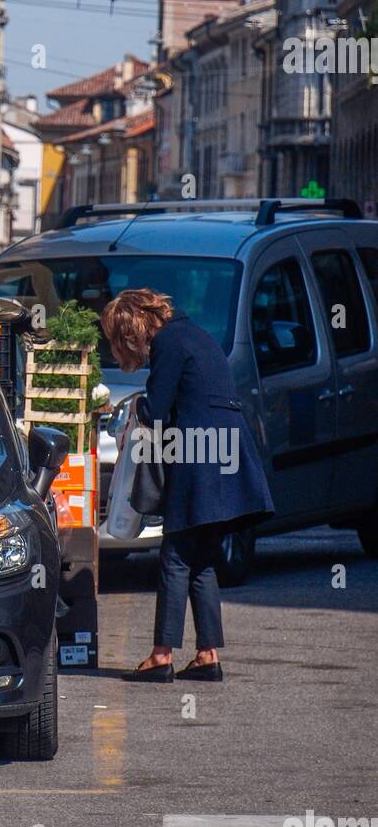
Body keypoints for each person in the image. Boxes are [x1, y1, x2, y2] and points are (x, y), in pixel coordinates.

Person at [100, 288, 274, 683]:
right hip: (224, 454)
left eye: (121, 338)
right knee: (202, 560)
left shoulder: (168, 343)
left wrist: (131, 411)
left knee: (175, 556)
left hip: (199, 457)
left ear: (132, 328)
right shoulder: (195, 334)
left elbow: (156, 410)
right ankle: (207, 654)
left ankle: (161, 656)